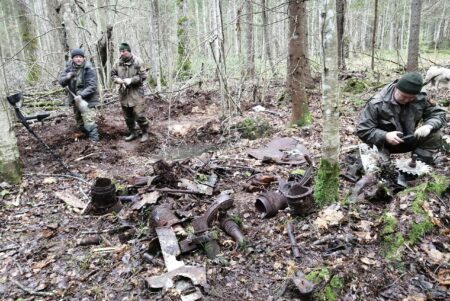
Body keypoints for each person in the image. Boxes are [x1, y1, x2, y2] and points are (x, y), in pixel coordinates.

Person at [356, 72, 446, 164]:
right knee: (379, 166)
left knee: (435, 134)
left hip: (410, 138)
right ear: (396, 88)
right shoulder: (377, 103)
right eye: (404, 96)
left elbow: (438, 114)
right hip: (383, 144)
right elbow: (363, 130)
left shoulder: (421, 97)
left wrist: (429, 126)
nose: (407, 100)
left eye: (411, 98)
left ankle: (418, 165)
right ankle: (382, 164)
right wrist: (385, 135)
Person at [111, 43, 150, 142]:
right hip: (123, 93)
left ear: (129, 51)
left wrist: (131, 80)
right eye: (121, 51)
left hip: (136, 92)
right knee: (127, 116)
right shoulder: (117, 63)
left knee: (139, 114)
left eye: (124, 51)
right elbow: (112, 75)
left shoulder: (138, 61)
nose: (122, 53)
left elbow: (143, 76)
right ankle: (133, 132)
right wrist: (117, 80)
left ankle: (145, 132)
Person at [58, 48, 99, 141]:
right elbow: (61, 81)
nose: (78, 59)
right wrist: (68, 77)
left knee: (89, 121)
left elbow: (92, 86)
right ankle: (86, 138)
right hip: (75, 100)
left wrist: (81, 95)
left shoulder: (89, 69)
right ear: (72, 58)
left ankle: (95, 143)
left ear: (84, 58)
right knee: (79, 123)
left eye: (80, 57)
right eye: (76, 57)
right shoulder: (68, 68)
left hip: (87, 100)